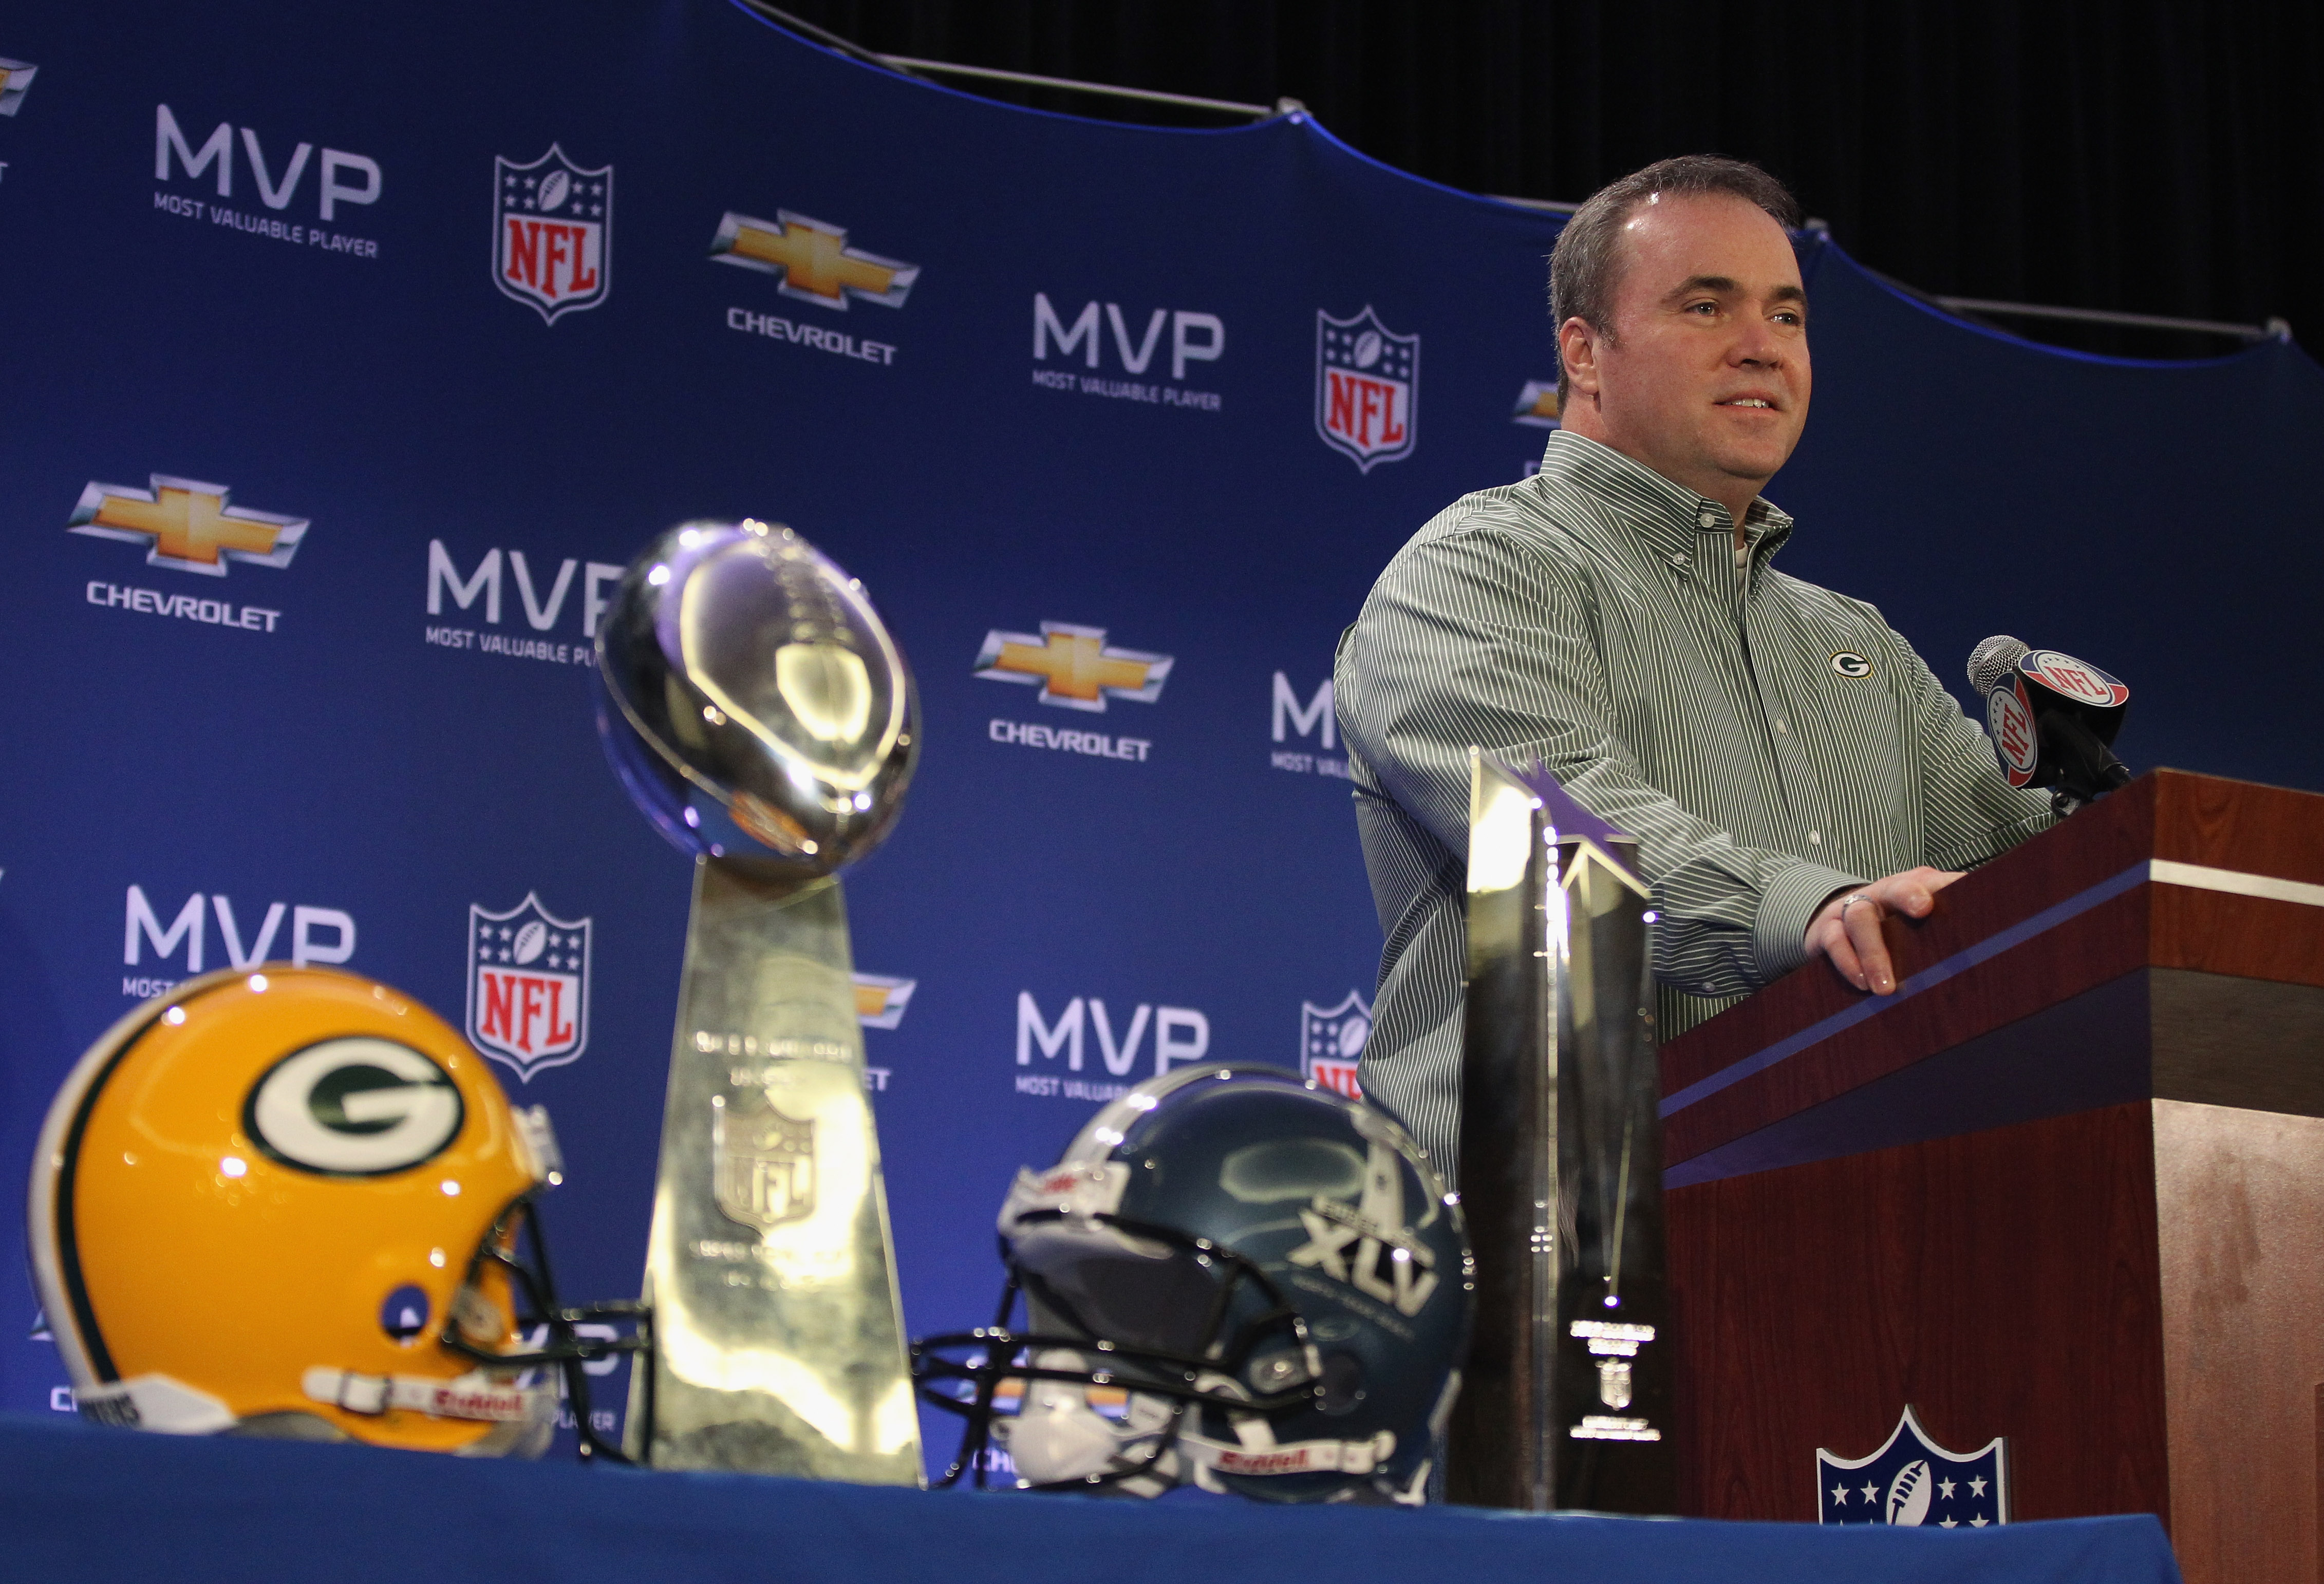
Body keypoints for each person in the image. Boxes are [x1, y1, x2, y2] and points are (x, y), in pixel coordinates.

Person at [1334, 155, 2052, 1177]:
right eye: (1708, 307)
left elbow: (2024, 883)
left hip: (1862, 1249)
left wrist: (2110, 849)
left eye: (1789, 316)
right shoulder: (1478, 571)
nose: (1763, 348)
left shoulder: (1857, 645)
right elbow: (1574, 844)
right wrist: (1809, 912)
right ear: (1584, 354)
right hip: (1539, 1261)